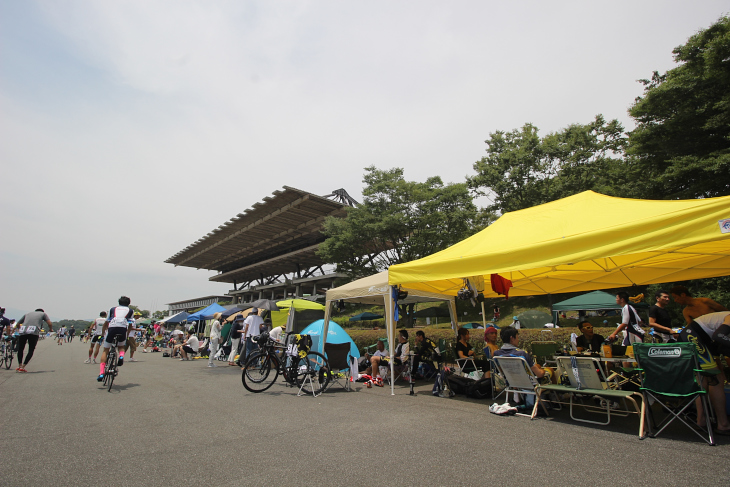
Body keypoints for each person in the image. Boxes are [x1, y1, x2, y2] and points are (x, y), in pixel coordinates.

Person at [677, 308, 730, 435]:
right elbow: (719, 335)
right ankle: (722, 424)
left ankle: (701, 420)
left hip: (706, 340)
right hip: (694, 335)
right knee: (715, 379)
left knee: (712, 377)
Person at [97, 296, 133, 382]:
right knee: (121, 347)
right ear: (128, 304)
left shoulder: (112, 309)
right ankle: (121, 356)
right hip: (122, 328)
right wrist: (127, 334)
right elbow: (130, 323)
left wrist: (103, 334)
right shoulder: (130, 311)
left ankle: (101, 373)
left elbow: (107, 322)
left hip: (112, 328)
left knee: (105, 350)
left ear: (119, 302)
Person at [15, 308, 53, 372]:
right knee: (31, 349)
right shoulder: (43, 314)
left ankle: (19, 365)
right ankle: (23, 367)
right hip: (33, 332)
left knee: (20, 348)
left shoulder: (27, 314)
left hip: (23, 331)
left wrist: (20, 329)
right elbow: (49, 323)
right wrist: (50, 329)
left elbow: (18, 324)